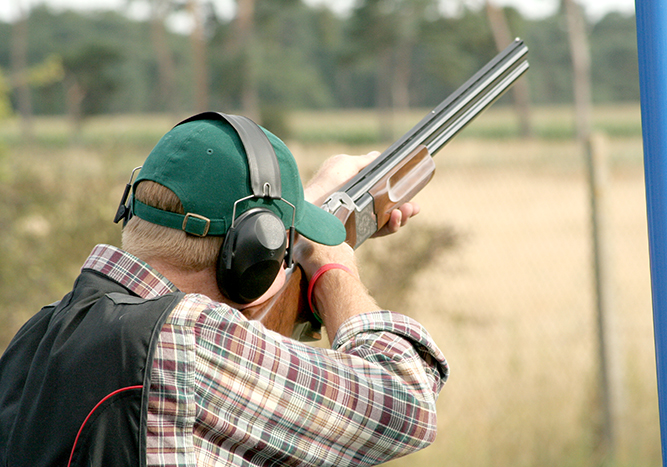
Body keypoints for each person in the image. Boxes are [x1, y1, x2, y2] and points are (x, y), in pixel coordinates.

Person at [0, 112, 449, 467]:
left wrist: (293, 215)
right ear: (248, 262)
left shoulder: (41, 336)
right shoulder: (187, 338)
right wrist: (333, 267)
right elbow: (406, 400)